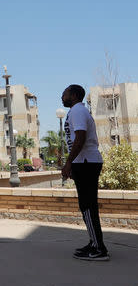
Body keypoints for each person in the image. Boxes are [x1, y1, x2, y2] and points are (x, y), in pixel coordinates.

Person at [61, 84, 109, 261]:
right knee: (87, 206)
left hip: (87, 162)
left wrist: (69, 163)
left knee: (88, 206)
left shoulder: (77, 111)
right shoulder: (77, 111)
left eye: (64, 93)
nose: (62, 96)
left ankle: (99, 248)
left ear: (73, 95)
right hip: (85, 162)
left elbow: (80, 137)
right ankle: (94, 242)